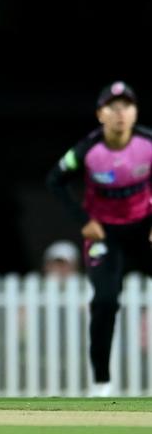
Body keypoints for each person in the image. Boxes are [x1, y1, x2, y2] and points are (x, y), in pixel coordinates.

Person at [46, 80, 152, 397]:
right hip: (105, 232)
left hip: (143, 226)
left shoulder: (147, 143)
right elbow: (55, 180)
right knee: (105, 301)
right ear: (100, 115)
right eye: (113, 108)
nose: (120, 114)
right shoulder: (88, 150)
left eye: (127, 107)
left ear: (135, 113)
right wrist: (84, 221)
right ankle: (102, 383)